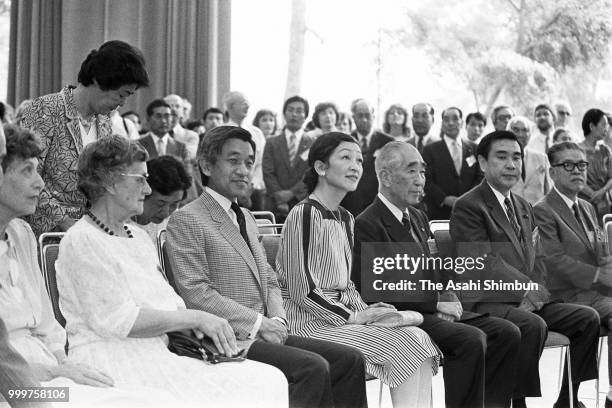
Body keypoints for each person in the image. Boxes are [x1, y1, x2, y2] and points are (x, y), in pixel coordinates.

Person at [55, 134, 288, 407]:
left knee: (268, 379)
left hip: (158, 353)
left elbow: (169, 302)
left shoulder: (138, 236)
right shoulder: (82, 240)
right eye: (140, 179)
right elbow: (119, 321)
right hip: (113, 361)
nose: (147, 190)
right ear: (109, 181)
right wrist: (195, 318)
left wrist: (206, 328)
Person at [165, 126, 368, 408]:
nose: (243, 170)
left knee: (350, 359)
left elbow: (270, 280)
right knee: (312, 367)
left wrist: (279, 321)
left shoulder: (246, 217)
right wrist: (259, 323)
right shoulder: (187, 218)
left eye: (249, 162)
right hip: (226, 337)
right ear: (207, 165)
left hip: (269, 330)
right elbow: (196, 293)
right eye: (233, 160)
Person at [0, 125, 181, 407]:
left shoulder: (21, 234)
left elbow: (48, 326)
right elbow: (11, 377)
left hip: (50, 375)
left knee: (156, 399)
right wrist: (55, 373)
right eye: (27, 171)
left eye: (38, 170)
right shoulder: (82, 239)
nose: (40, 183)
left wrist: (63, 366)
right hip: (17, 388)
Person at [278, 132, 441, 408]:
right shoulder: (304, 214)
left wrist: (369, 311)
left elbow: (347, 285)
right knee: (407, 343)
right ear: (320, 167)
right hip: (307, 322)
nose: (355, 166)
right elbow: (301, 289)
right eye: (345, 158)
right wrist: (354, 316)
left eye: (359, 160)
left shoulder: (345, 218)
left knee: (417, 337)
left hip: (341, 318)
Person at [353, 141, 520, 408]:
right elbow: (376, 288)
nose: (420, 181)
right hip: (402, 315)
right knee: (470, 339)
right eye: (411, 172)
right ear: (385, 176)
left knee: (506, 332)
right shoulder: (367, 224)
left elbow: (434, 270)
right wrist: (434, 302)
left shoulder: (417, 217)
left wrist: (449, 294)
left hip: (431, 307)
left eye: (423, 172)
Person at [450, 130, 600, 408]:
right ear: (483, 163)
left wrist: (538, 292)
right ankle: (516, 402)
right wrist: (526, 289)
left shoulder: (522, 205)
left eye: (517, 157)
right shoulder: (469, 206)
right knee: (531, 324)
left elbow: (539, 256)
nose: (511, 164)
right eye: (502, 157)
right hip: (486, 300)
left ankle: (568, 399)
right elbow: (484, 261)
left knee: (586, 318)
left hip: (528, 299)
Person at [19, 40, 150, 237]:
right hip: (45, 235)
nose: (123, 103)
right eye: (121, 95)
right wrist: (65, 222)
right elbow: (26, 176)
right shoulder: (45, 110)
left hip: (89, 231)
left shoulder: (104, 121)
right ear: (99, 81)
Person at [534, 141, 612, 408]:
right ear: (552, 171)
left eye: (581, 165)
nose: (577, 170)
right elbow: (555, 261)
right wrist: (600, 277)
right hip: (566, 296)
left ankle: (595, 396)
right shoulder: (543, 210)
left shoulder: (589, 208)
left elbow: (604, 249)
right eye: (568, 165)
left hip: (597, 294)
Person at [422, 107, 482, 220]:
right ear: (442, 123)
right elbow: (426, 179)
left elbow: (480, 177)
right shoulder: (430, 150)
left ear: (462, 122)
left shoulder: (474, 148)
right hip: (440, 213)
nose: (450, 123)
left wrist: (468, 198)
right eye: (446, 119)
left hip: (470, 212)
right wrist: (445, 199)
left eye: (455, 119)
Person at [263, 96, 314, 221]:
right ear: (284, 114)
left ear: (306, 116)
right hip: (275, 204)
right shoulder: (271, 142)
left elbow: (311, 172)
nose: (294, 114)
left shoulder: (313, 143)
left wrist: (291, 193)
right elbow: (267, 172)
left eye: (299, 111)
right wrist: (279, 196)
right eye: (290, 110)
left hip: (302, 203)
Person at [340, 99, 394, 216]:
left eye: (367, 115)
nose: (364, 120)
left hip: (379, 206)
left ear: (373, 117)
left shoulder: (387, 142)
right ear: (353, 118)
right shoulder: (343, 141)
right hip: (349, 205)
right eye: (360, 116)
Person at [133, 155, 191, 242]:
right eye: (160, 204)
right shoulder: (119, 223)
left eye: (174, 204)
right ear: (143, 193)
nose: (166, 213)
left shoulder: (177, 223)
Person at [578, 108, 612, 223]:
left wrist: (601, 192)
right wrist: (594, 196)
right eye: (604, 125)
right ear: (592, 126)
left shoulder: (605, 150)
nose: (606, 129)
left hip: (605, 204)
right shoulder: (576, 150)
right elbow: (576, 179)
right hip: (584, 203)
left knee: (606, 236)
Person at [508, 116, 552, 204]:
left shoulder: (542, 158)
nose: (520, 134)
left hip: (537, 212)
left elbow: (548, 190)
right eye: (516, 130)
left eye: (525, 130)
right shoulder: (501, 158)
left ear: (530, 134)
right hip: (510, 211)